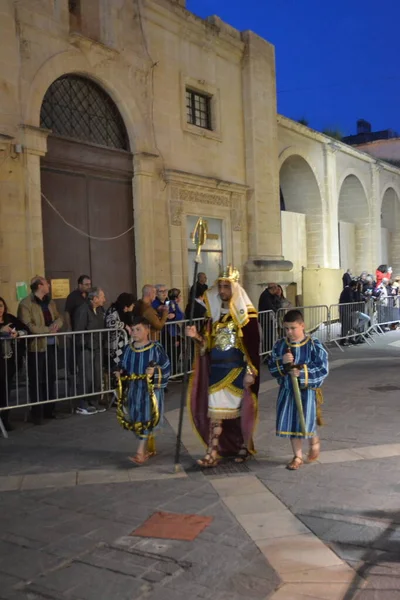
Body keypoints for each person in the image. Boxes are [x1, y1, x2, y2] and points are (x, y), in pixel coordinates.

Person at [186, 265, 260, 467]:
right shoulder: (214, 318)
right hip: (217, 371)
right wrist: (196, 337)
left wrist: (251, 371)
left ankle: (243, 447)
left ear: (234, 288)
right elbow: (206, 347)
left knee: (240, 414)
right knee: (215, 415)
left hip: (238, 371)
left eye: (226, 286)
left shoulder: (247, 317)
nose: (222, 291)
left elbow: (251, 347)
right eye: (220, 286)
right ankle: (212, 452)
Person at [268, 309, 329, 470]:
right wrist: (282, 363)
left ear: (302, 325)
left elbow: (322, 368)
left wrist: (301, 373)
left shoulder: (313, 345)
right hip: (288, 391)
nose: (289, 332)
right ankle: (297, 456)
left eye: (293, 328)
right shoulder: (280, 345)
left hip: (307, 392)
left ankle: (314, 440)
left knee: (306, 421)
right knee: (292, 423)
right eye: (286, 328)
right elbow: (272, 368)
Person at [115, 317, 170, 465]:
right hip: (134, 390)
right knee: (136, 417)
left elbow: (166, 367)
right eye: (133, 330)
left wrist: (155, 372)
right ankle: (146, 447)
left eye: (138, 329)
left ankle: (140, 452)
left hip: (150, 392)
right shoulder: (128, 349)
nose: (134, 333)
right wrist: (120, 372)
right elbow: (123, 365)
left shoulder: (155, 349)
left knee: (147, 417)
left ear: (147, 330)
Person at [18, 276, 63, 424]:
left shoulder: (50, 302)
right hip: (36, 347)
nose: (48, 285)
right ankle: (37, 412)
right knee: (37, 379)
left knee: (50, 377)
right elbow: (27, 325)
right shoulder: (26, 304)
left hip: (50, 344)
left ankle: (49, 409)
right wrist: (47, 330)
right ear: (39, 286)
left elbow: (59, 317)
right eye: (45, 283)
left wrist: (57, 325)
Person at [73, 287, 107, 415]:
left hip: (97, 346)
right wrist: (84, 345)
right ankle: (83, 403)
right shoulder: (83, 310)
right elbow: (79, 330)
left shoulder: (99, 310)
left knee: (96, 376)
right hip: (86, 348)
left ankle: (94, 401)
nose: (104, 299)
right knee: (86, 376)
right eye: (102, 296)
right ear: (95, 298)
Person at [0, 297, 28, 431]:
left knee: (6, 390)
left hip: (9, 360)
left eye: (1, 306)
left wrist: (18, 333)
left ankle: (5, 419)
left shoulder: (9, 319)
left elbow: (25, 329)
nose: (0, 309)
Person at [105, 293, 135, 368]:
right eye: (132, 304)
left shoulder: (128, 313)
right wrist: (125, 326)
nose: (133, 305)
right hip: (115, 346)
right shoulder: (113, 311)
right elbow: (110, 324)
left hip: (125, 345)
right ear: (126, 305)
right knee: (116, 366)